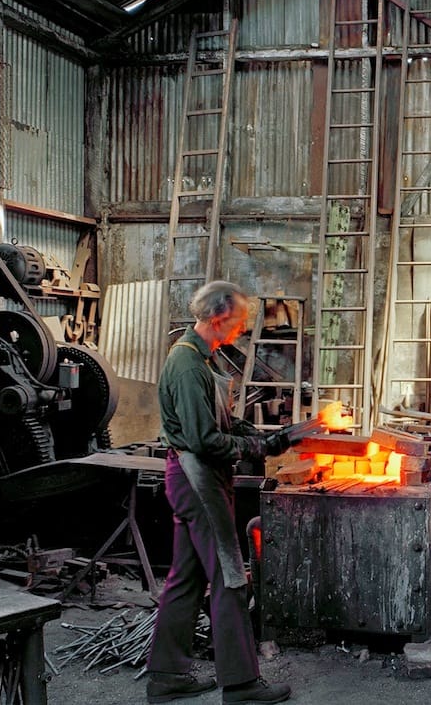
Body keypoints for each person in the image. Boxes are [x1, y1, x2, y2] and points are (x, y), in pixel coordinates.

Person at [146, 281, 293, 705]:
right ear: (217, 317)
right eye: (239, 319)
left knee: (186, 578)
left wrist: (267, 437)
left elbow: (221, 424)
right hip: (198, 481)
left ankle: (166, 676)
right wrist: (253, 447)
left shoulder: (201, 357)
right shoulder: (187, 364)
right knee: (230, 576)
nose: (243, 326)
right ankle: (242, 683)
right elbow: (204, 439)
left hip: (195, 479)